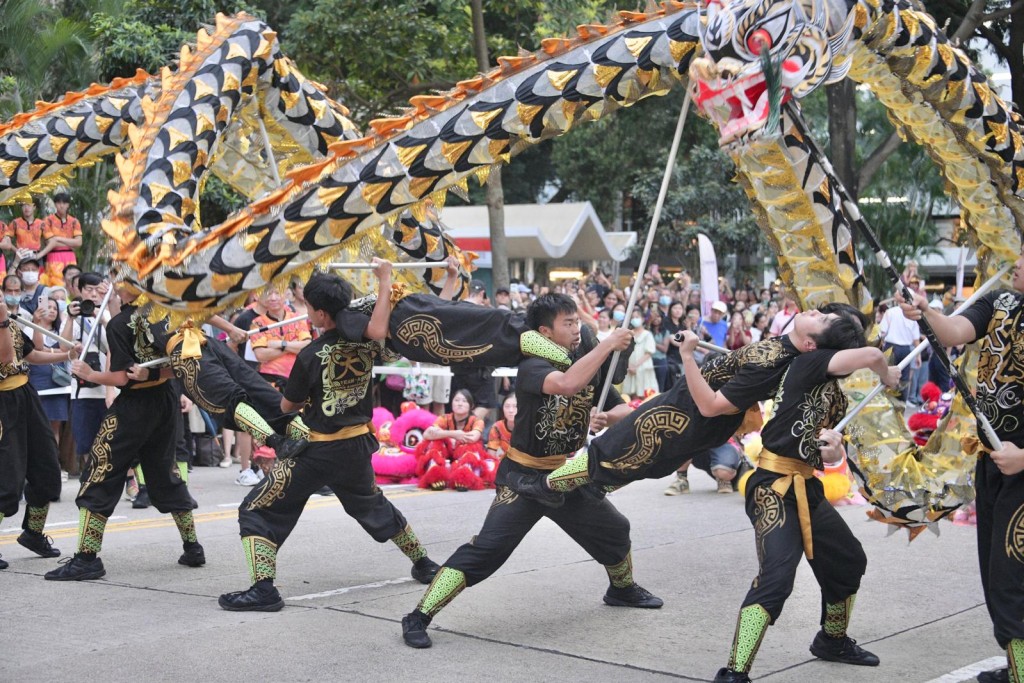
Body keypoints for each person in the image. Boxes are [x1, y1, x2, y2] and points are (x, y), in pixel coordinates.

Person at [400, 294, 661, 650]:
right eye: (567, 324)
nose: (576, 330)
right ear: (545, 332)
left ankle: (621, 588)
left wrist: (605, 415)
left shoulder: (587, 363)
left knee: (616, 529)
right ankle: (419, 615)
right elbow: (567, 384)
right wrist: (607, 345)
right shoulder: (533, 367)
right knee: (486, 551)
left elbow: (622, 410)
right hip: (524, 479)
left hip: (567, 477)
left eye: (576, 322)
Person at [219, 262, 442, 611]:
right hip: (355, 449)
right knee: (373, 504)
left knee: (256, 509)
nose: (307, 313)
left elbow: (287, 403)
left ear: (321, 314)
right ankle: (424, 562)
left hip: (316, 453)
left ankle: (263, 590)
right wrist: (385, 281)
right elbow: (381, 328)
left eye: (309, 307)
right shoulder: (368, 344)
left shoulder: (310, 355)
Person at [509, 305, 869, 505]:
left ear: (811, 344)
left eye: (821, 318)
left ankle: (547, 489)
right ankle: (568, 492)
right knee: (622, 455)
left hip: (689, 419)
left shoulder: (773, 364)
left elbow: (712, 405)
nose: (812, 309)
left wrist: (687, 356)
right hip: (680, 410)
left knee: (616, 451)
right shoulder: (781, 349)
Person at [713, 312, 900, 683]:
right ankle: (735, 671)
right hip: (771, 486)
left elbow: (829, 449)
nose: (820, 312)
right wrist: (885, 373)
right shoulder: (807, 362)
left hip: (805, 486)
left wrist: (833, 452)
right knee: (777, 578)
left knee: (847, 560)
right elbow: (869, 356)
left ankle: (832, 640)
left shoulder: (832, 392)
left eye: (826, 316)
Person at [899, 255, 1024, 683]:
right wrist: (926, 310)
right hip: (994, 463)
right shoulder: (999, 302)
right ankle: (1017, 668)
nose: (1018, 259)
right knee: (996, 575)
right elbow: (954, 331)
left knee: (1013, 582)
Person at [45, 283, 204, 581]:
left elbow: (121, 378)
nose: (113, 284)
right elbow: (187, 363)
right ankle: (193, 546)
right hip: (165, 400)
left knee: (100, 470)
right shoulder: (168, 313)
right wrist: (155, 373)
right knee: (163, 469)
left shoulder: (119, 324)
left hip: (136, 405)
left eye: (119, 278)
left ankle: (86, 557)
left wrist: (90, 374)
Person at [0, 299, 78, 569]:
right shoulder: (4, 322)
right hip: (2, 402)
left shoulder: (9, 322)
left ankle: (33, 533)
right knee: (7, 479)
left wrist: (65, 356)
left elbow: (30, 355)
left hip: (25, 395)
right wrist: (1, 321)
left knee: (47, 467)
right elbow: (5, 357)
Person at [415, 389, 487, 491]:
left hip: (465, 456)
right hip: (447, 454)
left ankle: (463, 477)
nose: (460, 404)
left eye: (464, 401)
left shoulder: (476, 421)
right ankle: (436, 476)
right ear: (452, 403)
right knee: (434, 442)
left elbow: (473, 437)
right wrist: (454, 434)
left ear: (471, 406)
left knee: (471, 446)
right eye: (457, 400)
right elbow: (427, 434)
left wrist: (445, 435)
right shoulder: (444, 418)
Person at [878, 292, 922, 402]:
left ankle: (887, 403)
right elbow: (916, 339)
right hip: (906, 350)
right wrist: (918, 356)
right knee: (904, 380)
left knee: (887, 377)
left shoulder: (890, 312)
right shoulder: (914, 315)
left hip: (891, 348)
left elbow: (882, 333)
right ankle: (901, 407)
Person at [39, 193, 82, 287]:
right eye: (58, 202)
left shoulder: (74, 221)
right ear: (55, 204)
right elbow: (50, 242)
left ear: (68, 205)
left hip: (70, 256)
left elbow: (79, 242)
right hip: (53, 256)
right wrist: (71, 242)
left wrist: (58, 238)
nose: (61, 205)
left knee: (72, 283)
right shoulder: (48, 220)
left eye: (64, 203)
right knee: (53, 283)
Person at [622, 312, 657, 397]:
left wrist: (636, 366)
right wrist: (630, 366)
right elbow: (623, 352)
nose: (635, 319)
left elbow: (649, 352)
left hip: (643, 367)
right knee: (630, 394)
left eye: (637, 317)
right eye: (633, 317)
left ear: (642, 319)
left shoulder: (647, 334)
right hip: (629, 367)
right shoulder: (628, 334)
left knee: (644, 393)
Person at [486, 394, 517, 460]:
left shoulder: (528, 427)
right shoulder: (497, 427)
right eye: (507, 406)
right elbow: (491, 455)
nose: (511, 410)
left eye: (515, 406)